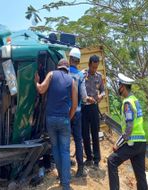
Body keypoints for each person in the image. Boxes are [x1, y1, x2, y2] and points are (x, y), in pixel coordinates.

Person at [35, 59, 77, 190]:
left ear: (58, 67)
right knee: (64, 151)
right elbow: (75, 105)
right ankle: (66, 184)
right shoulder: (72, 81)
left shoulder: (51, 74)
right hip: (64, 119)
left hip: (51, 119)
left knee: (55, 148)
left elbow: (41, 90)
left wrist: (36, 81)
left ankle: (61, 176)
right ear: (67, 68)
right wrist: (68, 118)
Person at [107, 73, 148, 190]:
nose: (118, 88)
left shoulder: (127, 103)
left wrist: (117, 144)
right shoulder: (135, 100)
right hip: (141, 142)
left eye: (119, 85)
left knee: (111, 161)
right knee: (140, 176)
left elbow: (129, 127)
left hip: (132, 143)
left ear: (123, 87)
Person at [68, 48, 93, 177]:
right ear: (78, 61)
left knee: (65, 140)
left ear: (69, 59)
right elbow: (83, 97)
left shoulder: (63, 73)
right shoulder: (80, 75)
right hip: (77, 112)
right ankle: (80, 169)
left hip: (64, 113)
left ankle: (65, 169)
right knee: (78, 139)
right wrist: (89, 99)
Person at [81, 55, 105, 168]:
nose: (94, 69)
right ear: (89, 65)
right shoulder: (82, 75)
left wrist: (101, 96)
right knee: (85, 134)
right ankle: (89, 158)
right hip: (84, 108)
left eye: (96, 67)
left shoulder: (99, 77)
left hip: (94, 108)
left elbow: (103, 91)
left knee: (95, 134)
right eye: (93, 67)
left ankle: (96, 160)